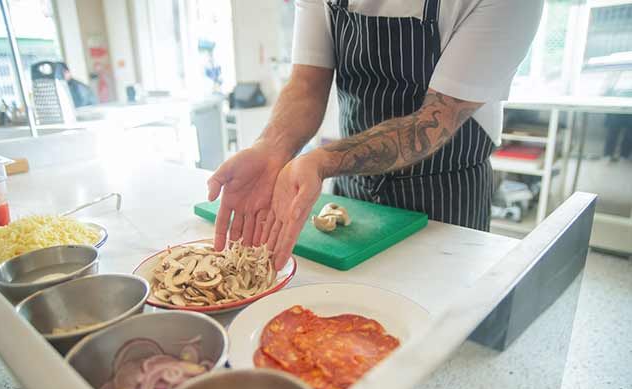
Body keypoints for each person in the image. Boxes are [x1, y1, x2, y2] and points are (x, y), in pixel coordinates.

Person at [208, 0, 543, 270]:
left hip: (446, 196)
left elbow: (432, 122)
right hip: (352, 185)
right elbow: (307, 84)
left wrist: (323, 161)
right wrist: (271, 148)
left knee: (437, 326)